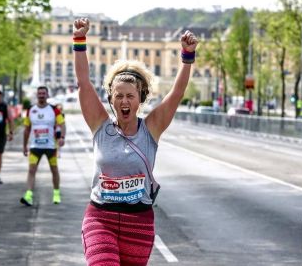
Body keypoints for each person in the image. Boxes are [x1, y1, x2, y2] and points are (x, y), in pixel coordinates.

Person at [73, 18, 198, 266]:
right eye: (118, 96)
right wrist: (79, 40)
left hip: (138, 224)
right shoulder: (100, 125)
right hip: (101, 218)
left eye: (130, 96)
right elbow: (84, 83)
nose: (124, 101)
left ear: (139, 99)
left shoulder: (151, 128)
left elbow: (176, 94)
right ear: (111, 99)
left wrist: (187, 56)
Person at [21, 86, 66, 206]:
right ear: (37, 95)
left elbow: (62, 124)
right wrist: (24, 145)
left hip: (50, 147)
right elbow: (26, 129)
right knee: (31, 170)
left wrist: (62, 137)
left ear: (47, 95)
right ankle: (28, 195)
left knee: (54, 170)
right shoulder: (31, 110)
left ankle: (56, 193)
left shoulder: (54, 109)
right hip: (35, 147)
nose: (41, 95)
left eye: (43, 93)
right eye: (39, 93)